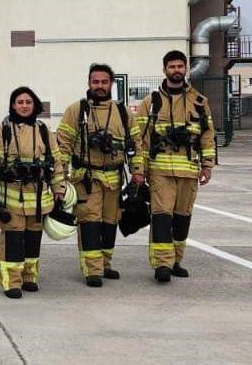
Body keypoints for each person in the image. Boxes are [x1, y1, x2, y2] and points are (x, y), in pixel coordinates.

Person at [131, 50, 216, 282]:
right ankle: (162, 265)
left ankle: (176, 260)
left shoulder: (199, 102)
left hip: (189, 171)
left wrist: (207, 166)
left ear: (186, 69)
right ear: (164, 70)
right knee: (161, 217)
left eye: (180, 66)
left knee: (182, 218)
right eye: (172, 67)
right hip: (160, 171)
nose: (176, 70)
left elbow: (208, 136)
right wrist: (139, 170)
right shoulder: (150, 103)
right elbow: (140, 138)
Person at [0, 86, 66, 299]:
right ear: (13, 105)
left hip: (38, 198)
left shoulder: (44, 131)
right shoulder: (2, 130)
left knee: (33, 238)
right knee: (13, 239)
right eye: (20, 102)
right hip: (11, 196)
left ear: (34, 105)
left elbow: (56, 162)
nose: (24, 106)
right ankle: (11, 282)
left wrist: (59, 189)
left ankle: (29, 277)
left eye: (28, 102)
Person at [58, 64, 132, 287]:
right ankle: (92, 270)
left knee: (110, 223)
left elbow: (135, 144)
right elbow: (63, 145)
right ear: (88, 83)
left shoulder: (122, 112)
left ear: (111, 83)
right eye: (95, 82)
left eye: (104, 82)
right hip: (86, 179)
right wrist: (60, 177)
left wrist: (137, 173)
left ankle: (105, 264)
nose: (99, 86)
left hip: (115, 178)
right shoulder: (75, 111)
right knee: (89, 222)